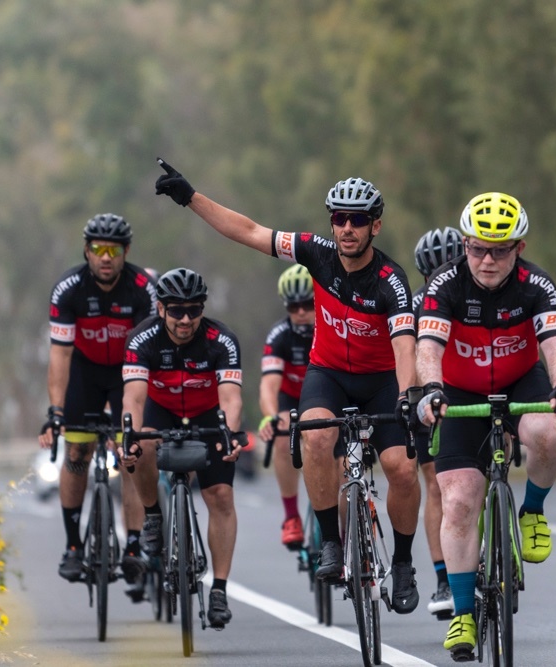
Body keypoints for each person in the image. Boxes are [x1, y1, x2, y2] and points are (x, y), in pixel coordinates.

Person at [154, 159, 422, 614]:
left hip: (380, 381)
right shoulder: (315, 253)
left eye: (358, 220)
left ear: (375, 225)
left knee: (401, 468)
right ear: (331, 222)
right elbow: (248, 230)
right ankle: (331, 544)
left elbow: (404, 348)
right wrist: (191, 197)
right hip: (329, 374)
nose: (347, 228)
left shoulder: (390, 281)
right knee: (316, 438)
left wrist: (405, 399)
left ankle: (401, 563)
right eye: (339, 218)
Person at [414, 192, 556, 658]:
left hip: (520, 380)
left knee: (548, 431)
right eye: (476, 248)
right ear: (464, 244)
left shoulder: (536, 286)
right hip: (460, 391)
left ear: (519, 248)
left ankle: (532, 511)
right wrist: (431, 389)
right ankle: (463, 615)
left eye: (500, 249)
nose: (487, 259)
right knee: (461, 500)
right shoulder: (444, 285)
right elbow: (428, 346)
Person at [119, 267, 246, 629]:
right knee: (140, 443)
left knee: (221, 495)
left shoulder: (222, 339)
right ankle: (153, 516)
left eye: (193, 309)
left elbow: (231, 399)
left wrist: (230, 434)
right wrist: (128, 435)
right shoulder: (141, 340)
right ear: (161, 309)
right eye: (176, 310)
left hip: (208, 414)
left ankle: (218, 590)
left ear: (202, 309)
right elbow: (134, 397)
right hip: (163, 410)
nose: (185, 318)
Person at [38, 213, 158, 598]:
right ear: (86, 251)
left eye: (114, 250)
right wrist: (55, 410)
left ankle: (135, 545)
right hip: (85, 374)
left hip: (128, 372)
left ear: (126, 253)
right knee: (76, 452)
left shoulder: (143, 288)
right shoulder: (68, 289)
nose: (106, 258)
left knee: (131, 456)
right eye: (98, 250)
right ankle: (74, 545)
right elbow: (59, 357)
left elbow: (150, 353)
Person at [411, 226, 464, 619]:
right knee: (436, 485)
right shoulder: (415, 306)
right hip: (432, 397)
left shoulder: (481, 292)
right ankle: (445, 577)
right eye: (433, 274)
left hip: (475, 391)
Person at [257, 264, 316, 550]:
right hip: (291, 400)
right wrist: (271, 416)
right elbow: (269, 385)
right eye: (294, 306)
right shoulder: (279, 335)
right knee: (283, 437)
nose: (301, 311)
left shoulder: (331, 327)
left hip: (330, 396)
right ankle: (291, 516)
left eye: (307, 304)